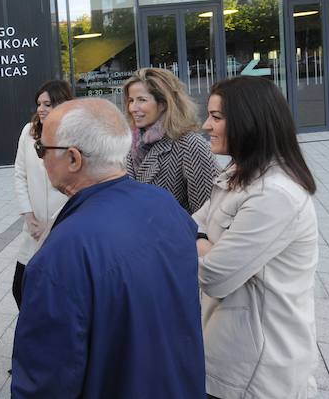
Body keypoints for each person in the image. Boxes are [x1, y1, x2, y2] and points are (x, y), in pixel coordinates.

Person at [12, 98, 205, 398]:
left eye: (42, 149)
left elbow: (44, 384)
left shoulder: (61, 255)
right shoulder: (166, 205)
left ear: (73, 159)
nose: (40, 158)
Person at [195, 76, 319, 399]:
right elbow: (192, 226)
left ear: (248, 121)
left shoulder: (274, 194)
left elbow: (214, 276)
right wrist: (207, 242)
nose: (207, 125)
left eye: (217, 117)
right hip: (228, 348)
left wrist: (206, 243)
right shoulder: (238, 174)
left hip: (259, 370)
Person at [122, 67, 218, 213]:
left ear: (163, 104)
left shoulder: (190, 145)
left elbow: (206, 212)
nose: (133, 108)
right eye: (131, 100)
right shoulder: (132, 144)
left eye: (142, 100)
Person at [11, 80, 72, 308]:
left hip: (62, 230)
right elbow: (19, 173)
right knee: (21, 289)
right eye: (39, 103)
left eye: (48, 103)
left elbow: (80, 185)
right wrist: (28, 216)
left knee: (58, 295)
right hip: (33, 229)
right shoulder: (29, 131)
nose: (41, 109)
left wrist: (53, 225)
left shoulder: (76, 136)